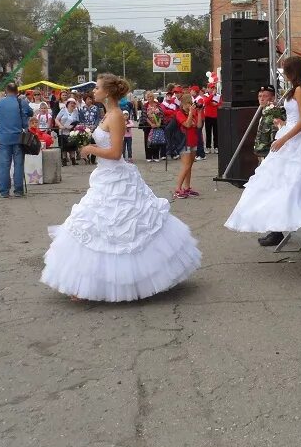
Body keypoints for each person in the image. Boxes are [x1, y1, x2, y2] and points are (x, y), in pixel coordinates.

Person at [40, 74, 202, 302]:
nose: (93, 91)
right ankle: (87, 283)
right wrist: (94, 145)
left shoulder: (115, 115)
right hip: (106, 176)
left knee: (118, 228)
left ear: (107, 92)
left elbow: (116, 154)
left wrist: (90, 149)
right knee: (95, 227)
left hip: (115, 176)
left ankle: (107, 283)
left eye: (97, 88)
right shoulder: (108, 114)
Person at [224, 56, 301, 238]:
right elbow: (300, 119)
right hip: (290, 132)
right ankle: (294, 226)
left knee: (297, 180)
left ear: (293, 72)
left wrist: (284, 138)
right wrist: (283, 126)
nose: (284, 74)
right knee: (286, 180)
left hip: (295, 137)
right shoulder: (296, 89)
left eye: (286, 70)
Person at [251, 85, 287, 246]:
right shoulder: (265, 112)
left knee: (273, 194)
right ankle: (274, 230)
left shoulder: (275, 112)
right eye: (260, 96)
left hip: (271, 159)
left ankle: (276, 232)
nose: (262, 99)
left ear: (272, 97)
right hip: (264, 157)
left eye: (265, 96)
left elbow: (277, 137)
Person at [0, 82, 33, 199]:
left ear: (6, 90)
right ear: (17, 91)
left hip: (4, 138)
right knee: (18, 164)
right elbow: (31, 112)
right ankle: (18, 191)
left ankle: (4, 192)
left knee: (4, 165)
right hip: (19, 138)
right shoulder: (22, 102)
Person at [172, 93, 200, 198]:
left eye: (191, 103)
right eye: (189, 103)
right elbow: (187, 124)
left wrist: (200, 112)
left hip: (193, 141)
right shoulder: (179, 113)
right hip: (184, 142)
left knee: (190, 166)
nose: (191, 105)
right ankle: (178, 189)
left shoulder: (192, 112)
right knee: (186, 165)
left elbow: (199, 125)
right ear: (184, 103)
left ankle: (187, 187)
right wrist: (191, 114)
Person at [55, 98, 81, 166]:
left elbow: (77, 121)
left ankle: (73, 159)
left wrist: (73, 127)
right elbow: (57, 119)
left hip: (72, 131)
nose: (72, 104)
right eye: (71, 103)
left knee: (72, 146)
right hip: (63, 131)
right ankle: (64, 160)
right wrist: (60, 126)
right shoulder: (63, 110)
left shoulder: (75, 111)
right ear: (68, 104)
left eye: (74, 103)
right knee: (64, 146)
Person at [141, 93, 164, 163]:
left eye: (151, 96)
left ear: (153, 97)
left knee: (156, 140)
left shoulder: (158, 105)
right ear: (146, 98)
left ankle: (156, 156)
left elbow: (161, 114)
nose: (149, 98)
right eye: (148, 97)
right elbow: (144, 116)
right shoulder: (145, 105)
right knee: (148, 141)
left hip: (157, 125)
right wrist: (151, 124)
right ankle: (148, 156)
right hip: (148, 126)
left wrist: (158, 123)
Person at [201, 83, 220, 153]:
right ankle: (208, 147)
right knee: (208, 132)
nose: (212, 89)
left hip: (216, 116)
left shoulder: (218, 96)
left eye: (213, 88)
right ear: (208, 89)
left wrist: (216, 104)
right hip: (208, 116)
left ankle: (216, 147)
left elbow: (221, 104)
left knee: (216, 133)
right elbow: (205, 102)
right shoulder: (205, 95)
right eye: (211, 88)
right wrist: (212, 95)